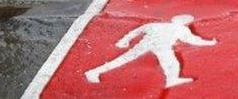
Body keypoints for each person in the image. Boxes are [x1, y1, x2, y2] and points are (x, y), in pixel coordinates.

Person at [85, 14, 217, 89]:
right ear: (185, 23)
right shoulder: (181, 29)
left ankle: (94, 72)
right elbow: (193, 40)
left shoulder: (156, 25)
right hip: (161, 46)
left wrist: (124, 40)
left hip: (147, 43)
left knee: (125, 58)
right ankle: (172, 79)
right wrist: (211, 42)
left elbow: (138, 30)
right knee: (171, 63)